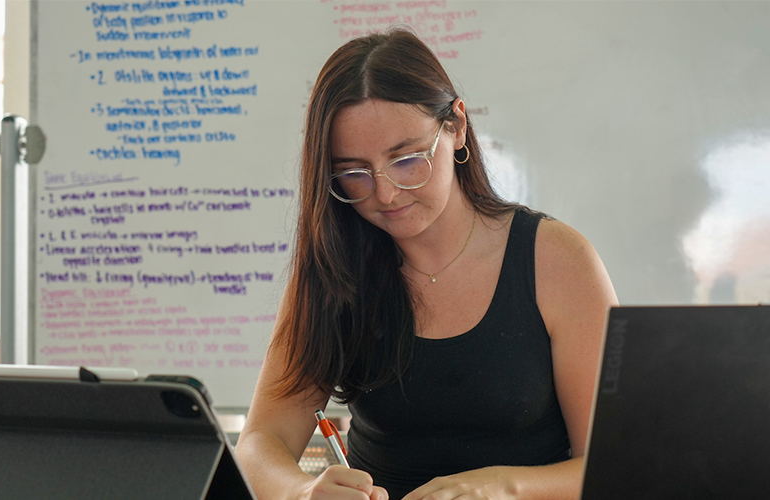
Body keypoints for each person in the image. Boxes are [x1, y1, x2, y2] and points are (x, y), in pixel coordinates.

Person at [235, 28, 617, 500]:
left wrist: (503, 485)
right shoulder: (335, 266)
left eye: (407, 160)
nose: (386, 193)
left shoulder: (558, 261)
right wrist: (301, 493)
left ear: (456, 127)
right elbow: (259, 443)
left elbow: (615, 467)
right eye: (353, 173)